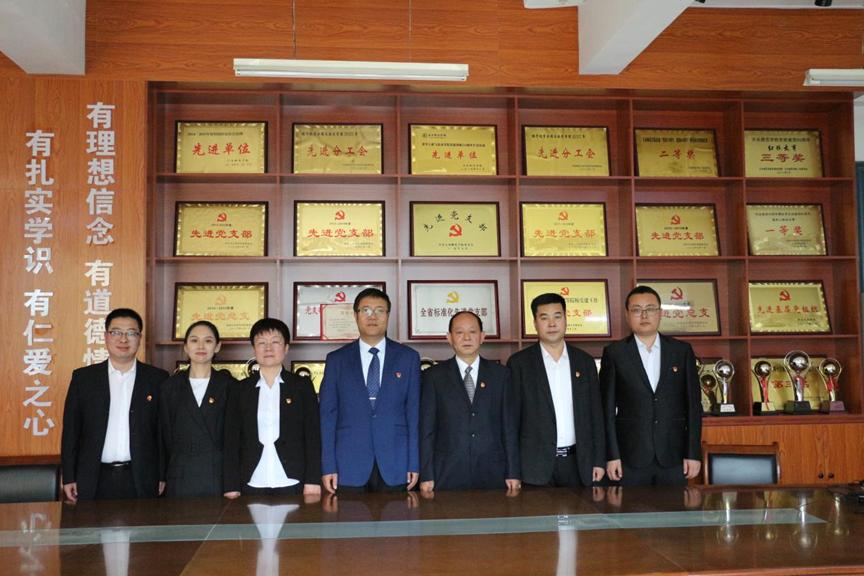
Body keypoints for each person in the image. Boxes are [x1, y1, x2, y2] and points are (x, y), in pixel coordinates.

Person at [61, 308, 169, 502]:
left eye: (131, 333)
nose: (123, 339)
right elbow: (71, 431)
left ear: (140, 338)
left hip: (142, 477)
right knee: (91, 523)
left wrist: (162, 475)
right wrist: (69, 476)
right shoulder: (83, 379)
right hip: (94, 477)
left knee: (143, 522)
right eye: (116, 332)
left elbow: (162, 433)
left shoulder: (157, 379)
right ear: (106, 336)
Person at [319, 287, 421, 493]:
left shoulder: (408, 358)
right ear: (355, 315)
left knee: (398, 513)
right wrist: (328, 465)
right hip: (348, 464)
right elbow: (327, 417)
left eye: (379, 310)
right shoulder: (337, 360)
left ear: (388, 315)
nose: (372, 316)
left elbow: (414, 414)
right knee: (350, 513)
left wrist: (413, 462)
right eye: (365, 310)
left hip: (396, 462)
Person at [600, 285, 702, 486]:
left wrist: (693, 453)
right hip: (630, 456)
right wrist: (612, 455)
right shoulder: (615, 353)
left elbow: (693, 406)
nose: (644, 315)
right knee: (629, 507)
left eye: (650, 309)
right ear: (627, 315)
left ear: (660, 313)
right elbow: (607, 409)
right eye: (637, 310)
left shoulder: (681, 351)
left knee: (673, 506)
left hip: (673, 455)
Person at [507, 293, 605, 488]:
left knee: (582, 509)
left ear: (566, 319)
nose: (552, 324)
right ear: (535, 323)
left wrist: (599, 460)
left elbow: (596, 414)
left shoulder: (584, 362)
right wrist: (513, 470)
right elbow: (512, 421)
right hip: (534, 466)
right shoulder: (519, 364)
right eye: (544, 318)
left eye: (557, 316)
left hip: (578, 464)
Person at [420, 311, 520, 493]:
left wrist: (513, 472)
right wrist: (426, 475)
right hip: (446, 471)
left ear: (482, 336)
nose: (466, 338)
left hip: (493, 470)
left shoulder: (501, 375)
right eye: (459, 332)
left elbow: (509, 428)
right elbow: (427, 430)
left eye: (472, 332)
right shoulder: (433, 377)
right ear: (449, 338)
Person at [223, 318, 321, 497]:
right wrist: (231, 485)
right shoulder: (240, 389)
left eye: (275, 342)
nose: (268, 348)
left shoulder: (302, 386)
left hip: (293, 480)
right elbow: (231, 440)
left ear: (286, 348)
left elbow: (313, 436)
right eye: (261, 343)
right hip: (251, 480)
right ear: (254, 349)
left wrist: (313, 480)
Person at [159, 320, 235, 497]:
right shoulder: (169, 387)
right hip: (180, 475)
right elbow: (163, 437)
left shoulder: (230, 386)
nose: (201, 346)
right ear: (185, 347)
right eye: (194, 340)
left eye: (208, 341)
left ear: (217, 346)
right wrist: (161, 475)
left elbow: (234, 440)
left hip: (218, 476)